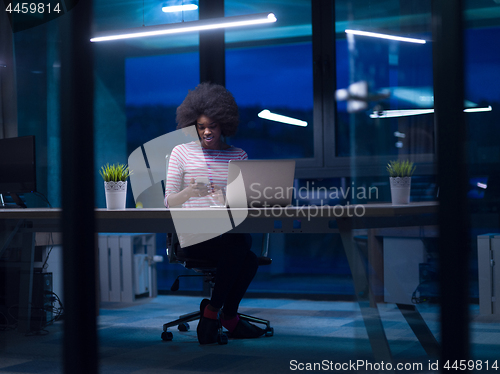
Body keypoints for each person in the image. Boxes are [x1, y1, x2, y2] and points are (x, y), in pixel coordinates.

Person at [164, 82, 265, 345]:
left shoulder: (238, 155)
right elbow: (169, 201)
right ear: (192, 125)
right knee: (243, 250)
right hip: (193, 237)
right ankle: (224, 317)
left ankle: (217, 314)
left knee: (245, 252)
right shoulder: (181, 153)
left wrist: (229, 200)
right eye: (201, 126)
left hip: (225, 233)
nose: (207, 131)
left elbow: (244, 203)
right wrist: (190, 192)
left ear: (224, 125)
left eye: (213, 126)